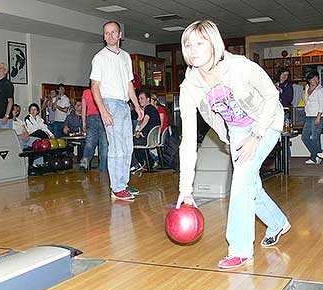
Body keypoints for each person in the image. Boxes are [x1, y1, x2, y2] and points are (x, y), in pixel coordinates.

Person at [176, 20, 290, 269]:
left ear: (214, 43)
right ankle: (278, 222)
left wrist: (258, 134)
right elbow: (187, 139)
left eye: (199, 43)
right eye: (188, 44)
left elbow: (272, 96)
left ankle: (240, 250)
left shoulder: (240, 67)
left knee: (240, 181)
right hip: (237, 129)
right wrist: (186, 189)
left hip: (266, 120)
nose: (192, 49)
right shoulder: (189, 87)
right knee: (249, 183)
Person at [90, 20, 144, 201]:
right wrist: (103, 111)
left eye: (113, 32)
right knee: (116, 147)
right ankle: (117, 187)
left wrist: (136, 105)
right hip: (110, 104)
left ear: (120, 35)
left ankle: (124, 184)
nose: (110, 35)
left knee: (127, 146)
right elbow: (94, 86)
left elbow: (129, 84)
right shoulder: (100, 57)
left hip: (123, 105)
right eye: (106, 33)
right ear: (104, 36)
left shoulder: (126, 57)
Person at [80, 86, 108, 172]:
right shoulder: (103, 90)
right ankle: (103, 167)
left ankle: (84, 163)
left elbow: (83, 109)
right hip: (102, 116)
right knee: (104, 144)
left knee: (89, 143)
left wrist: (84, 123)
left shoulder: (86, 92)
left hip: (90, 118)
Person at [131, 90, 161, 172]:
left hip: (147, 137)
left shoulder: (148, 108)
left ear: (148, 99)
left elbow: (146, 119)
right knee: (137, 143)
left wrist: (138, 130)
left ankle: (137, 164)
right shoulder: (153, 109)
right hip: (150, 137)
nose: (140, 101)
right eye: (139, 99)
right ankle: (149, 163)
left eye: (142, 98)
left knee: (129, 143)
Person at [302, 71, 323, 164]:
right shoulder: (307, 88)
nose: (315, 80)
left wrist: (319, 116)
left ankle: (314, 157)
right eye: (313, 78)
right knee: (305, 137)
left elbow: (322, 104)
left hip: (317, 115)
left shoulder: (320, 89)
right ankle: (319, 153)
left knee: (315, 137)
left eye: (316, 78)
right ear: (309, 80)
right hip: (308, 115)